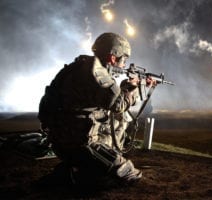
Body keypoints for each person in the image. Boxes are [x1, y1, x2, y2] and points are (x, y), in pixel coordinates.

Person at [38, 32, 152, 186]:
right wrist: (135, 88)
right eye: (124, 59)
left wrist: (128, 88)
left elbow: (106, 100)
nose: (124, 65)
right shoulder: (95, 71)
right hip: (80, 144)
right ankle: (79, 175)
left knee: (119, 120)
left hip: (59, 141)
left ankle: (76, 168)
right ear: (113, 57)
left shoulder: (77, 67)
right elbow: (118, 105)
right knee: (129, 174)